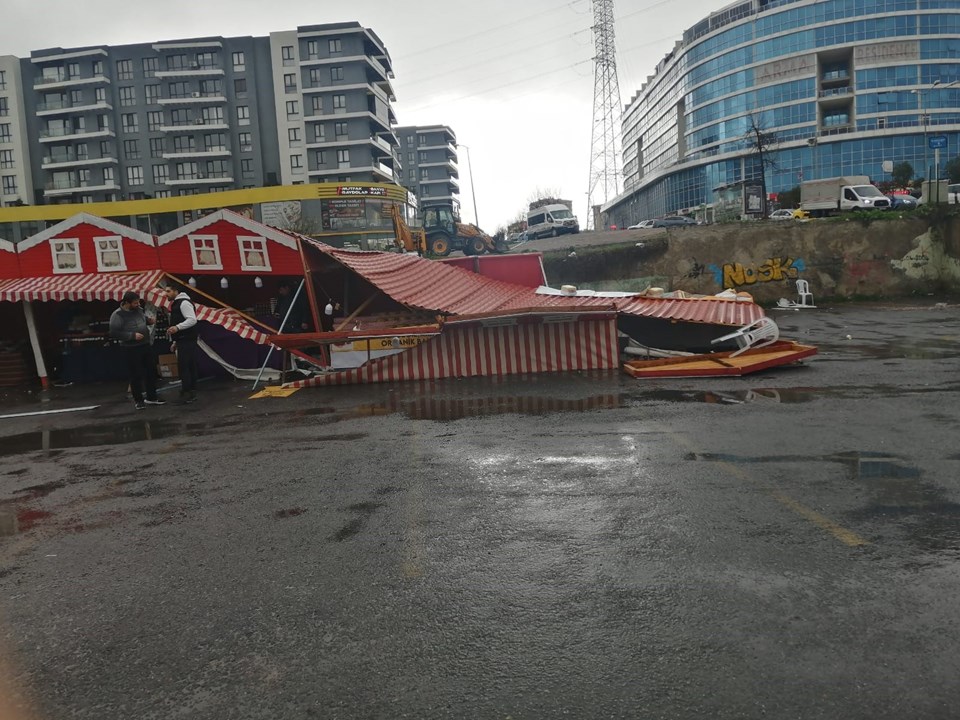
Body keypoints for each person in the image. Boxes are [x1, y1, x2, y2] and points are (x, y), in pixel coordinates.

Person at [109, 291, 165, 410]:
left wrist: (149, 321)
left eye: (138, 302)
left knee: (150, 371)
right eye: (135, 302)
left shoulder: (139, 309)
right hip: (130, 348)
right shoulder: (117, 315)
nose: (138, 304)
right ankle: (138, 400)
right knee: (135, 375)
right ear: (127, 303)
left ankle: (152, 397)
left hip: (145, 345)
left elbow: (142, 319)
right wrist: (131, 336)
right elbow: (114, 332)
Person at [162, 284, 199, 404]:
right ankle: (188, 390)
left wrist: (178, 328)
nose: (166, 294)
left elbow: (192, 319)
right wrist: (175, 341)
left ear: (176, 291)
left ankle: (189, 392)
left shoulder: (183, 303)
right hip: (182, 339)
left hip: (187, 339)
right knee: (186, 366)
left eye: (168, 291)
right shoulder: (177, 304)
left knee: (186, 366)